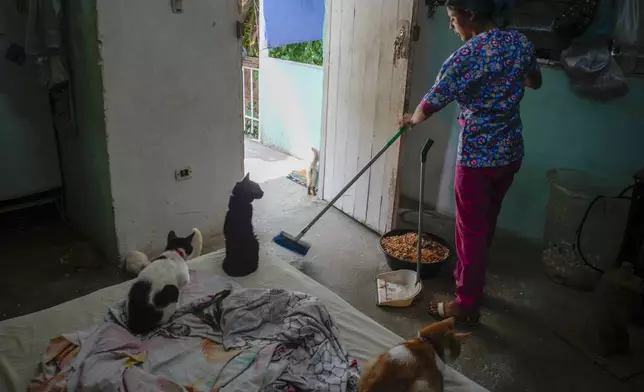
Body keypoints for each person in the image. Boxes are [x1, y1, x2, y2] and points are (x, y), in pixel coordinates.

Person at [399, 0, 542, 324]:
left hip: (478, 158)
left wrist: (411, 119)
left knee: (470, 233)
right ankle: (468, 278)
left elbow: (431, 102)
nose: (451, 25)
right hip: (510, 153)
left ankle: (465, 305)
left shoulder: (467, 56)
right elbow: (535, 81)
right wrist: (508, 83)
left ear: (471, 15)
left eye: (452, 18)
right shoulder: (519, 42)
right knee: (484, 223)